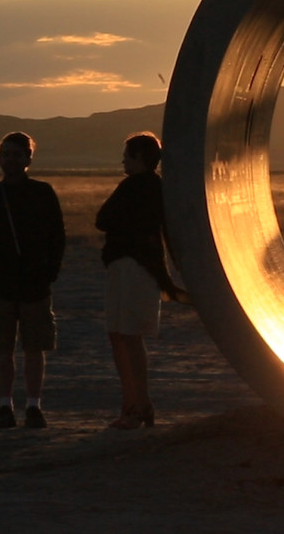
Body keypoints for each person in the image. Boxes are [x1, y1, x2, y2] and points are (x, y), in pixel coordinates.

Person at [0, 132, 65, 429]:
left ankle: (33, 406)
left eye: (16, 154)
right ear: (0, 158)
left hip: (34, 284)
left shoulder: (43, 193)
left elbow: (57, 236)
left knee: (34, 348)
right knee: (3, 349)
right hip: (0, 285)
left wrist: (49, 272)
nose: (10, 159)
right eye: (6, 154)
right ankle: (5, 405)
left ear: (28, 158)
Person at [95, 132, 182, 429]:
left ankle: (138, 405)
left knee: (127, 336)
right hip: (135, 266)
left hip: (134, 267)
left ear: (140, 158)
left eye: (127, 156)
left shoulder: (136, 186)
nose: (123, 161)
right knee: (123, 335)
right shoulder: (155, 188)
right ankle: (135, 403)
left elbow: (103, 219)